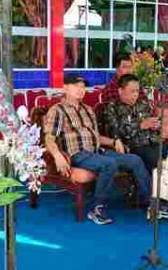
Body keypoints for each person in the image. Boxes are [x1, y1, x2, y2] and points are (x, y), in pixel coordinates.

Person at [44, 74, 151, 225]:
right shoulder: (58, 110)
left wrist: (114, 141)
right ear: (65, 88)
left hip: (97, 152)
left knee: (135, 160)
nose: (81, 90)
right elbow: (49, 138)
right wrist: (57, 155)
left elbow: (97, 137)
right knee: (109, 164)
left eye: (83, 87)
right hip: (78, 154)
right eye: (76, 86)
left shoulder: (87, 110)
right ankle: (97, 208)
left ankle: (151, 203)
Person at [102, 73, 168, 219]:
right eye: (131, 91)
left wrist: (155, 125)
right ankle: (157, 204)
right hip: (135, 146)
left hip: (155, 141)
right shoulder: (112, 107)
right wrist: (141, 125)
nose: (135, 95)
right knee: (156, 160)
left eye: (137, 91)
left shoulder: (143, 104)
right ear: (120, 91)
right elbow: (116, 132)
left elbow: (154, 126)